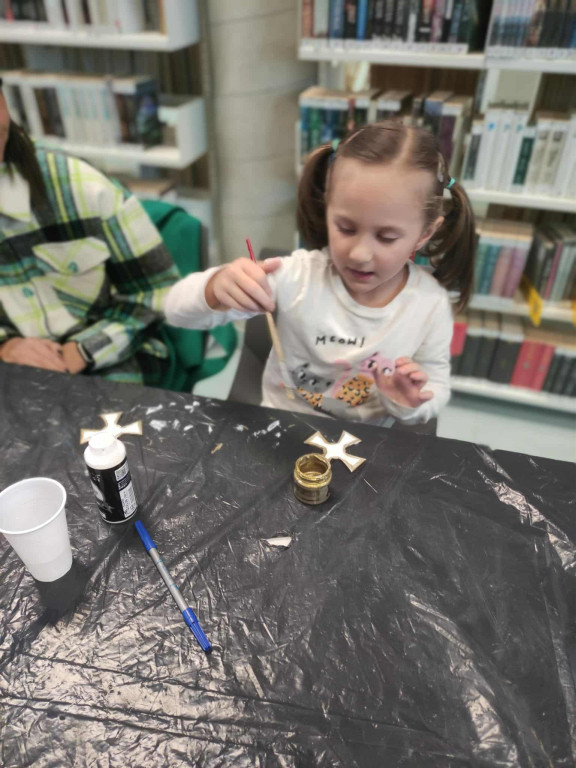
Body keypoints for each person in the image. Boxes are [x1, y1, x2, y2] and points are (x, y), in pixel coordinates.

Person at [165, 121, 475, 424]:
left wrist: (408, 402)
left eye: (387, 237)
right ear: (327, 209)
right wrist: (216, 287)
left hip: (366, 443)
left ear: (424, 233)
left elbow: (436, 385)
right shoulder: (294, 278)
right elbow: (175, 311)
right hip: (281, 427)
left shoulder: (429, 304)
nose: (359, 254)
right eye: (345, 228)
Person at [0, 79, 180, 385]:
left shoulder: (81, 185)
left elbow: (155, 293)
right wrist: (7, 346)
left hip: (104, 357)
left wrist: (80, 352)